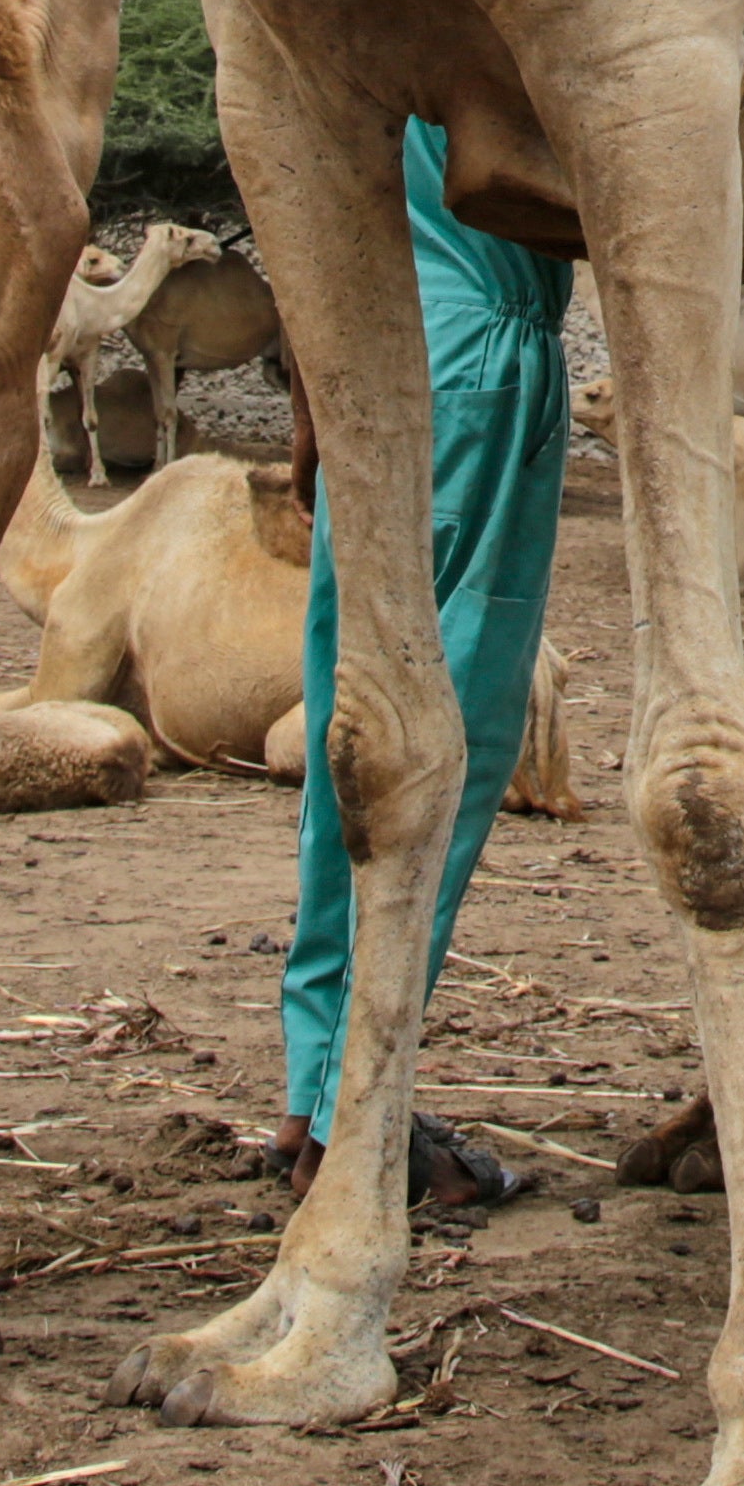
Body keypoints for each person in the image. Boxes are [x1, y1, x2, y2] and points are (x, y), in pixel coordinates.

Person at [274, 118, 568, 1210]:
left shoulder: (347, 2)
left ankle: (313, 1088)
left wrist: (308, 396)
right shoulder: (496, 4)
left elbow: (293, 176)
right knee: (449, 746)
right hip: (482, 366)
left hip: (368, 361)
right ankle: (361, 1116)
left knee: (346, 735)